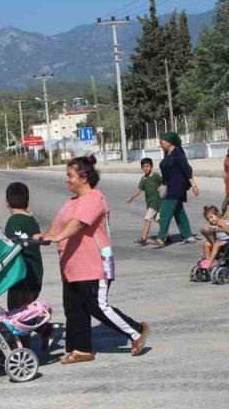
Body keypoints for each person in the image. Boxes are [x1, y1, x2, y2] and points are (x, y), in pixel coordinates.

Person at [39, 156, 151, 365]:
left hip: (94, 265)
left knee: (97, 306)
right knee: (74, 309)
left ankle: (136, 331)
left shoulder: (94, 198)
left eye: (70, 175)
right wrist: (43, 236)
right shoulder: (71, 203)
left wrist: (57, 237)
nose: (67, 180)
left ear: (84, 177)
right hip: (71, 267)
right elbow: (57, 226)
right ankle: (81, 349)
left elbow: (78, 224)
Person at [4, 182, 52, 358]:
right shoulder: (32, 220)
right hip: (35, 273)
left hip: (19, 276)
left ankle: (23, 350)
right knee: (26, 310)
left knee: (17, 313)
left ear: (7, 203)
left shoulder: (13, 221)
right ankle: (45, 328)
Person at [151, 132, 199, 248]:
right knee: (178, 211)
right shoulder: (168, 155)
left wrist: (194, 186)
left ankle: (161, 238)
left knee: (165, 212)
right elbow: (166, 174)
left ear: (170, 142)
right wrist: (162, 185)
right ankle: (188, 236)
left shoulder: (178, 154)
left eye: (162, 141)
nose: (160, 143)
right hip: (170, 186)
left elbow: (187, 170)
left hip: (178, 186)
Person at [127, 158, 162, 246]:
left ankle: (143, 238)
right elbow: (139, 190)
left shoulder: (155, 175)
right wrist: (131, 197)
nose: (145, 168)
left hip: (156, 201)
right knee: (158, 219)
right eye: (143, 166)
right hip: (150, 202)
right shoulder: (144, 178)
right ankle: (165, 235)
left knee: (147, 219)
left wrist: (161, 188)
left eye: (147, 166)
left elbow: (164, 183)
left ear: (151, 166)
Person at [198, 205, 229, 270]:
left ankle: (210, 261)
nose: (210, 220)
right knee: (206, 244)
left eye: (211, 217)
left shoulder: (223, 221)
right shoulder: (212, 225)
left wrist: (223, 226)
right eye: (208, 219)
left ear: (217, 214)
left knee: (216, 244)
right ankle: (207, 260)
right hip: (218, 241)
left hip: (227, 241)